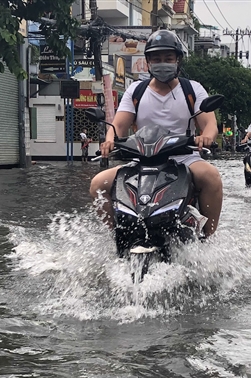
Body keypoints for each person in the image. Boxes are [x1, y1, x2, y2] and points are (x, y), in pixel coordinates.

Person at [89, 30, 223, 237]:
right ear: (148, 62)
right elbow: (118, 127)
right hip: (142, 159)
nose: (163, 63)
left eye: (168, 58)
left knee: (211, 176)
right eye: (157, 59)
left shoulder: (192, 89)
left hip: (184, 157)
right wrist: (109, 142)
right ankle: (115, 236)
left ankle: (208, 237)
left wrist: (206, 137)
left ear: (177, 60)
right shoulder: (136, 91)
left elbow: (210, 124)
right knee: (98, 183)